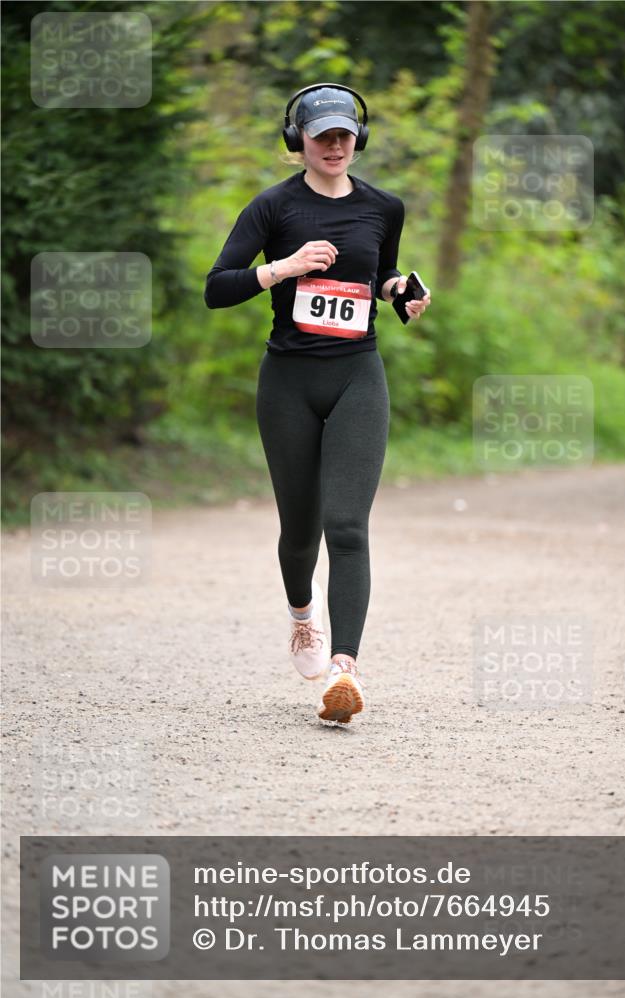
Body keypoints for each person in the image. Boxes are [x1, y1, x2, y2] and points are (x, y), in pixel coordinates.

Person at [204, 84, 431, 724]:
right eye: (321, 135)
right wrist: (283, 267)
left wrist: (401, 292)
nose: (334, 146)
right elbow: (217, 288)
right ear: (296, 140)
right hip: (289, 383)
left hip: (359, 376)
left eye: (344, 135)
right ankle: (303, 619)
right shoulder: (272, 207)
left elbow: (377, 275)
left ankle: (345, 670)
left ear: (359, 139)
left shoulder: (385, 206)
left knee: (348, 525)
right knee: (300, 532)